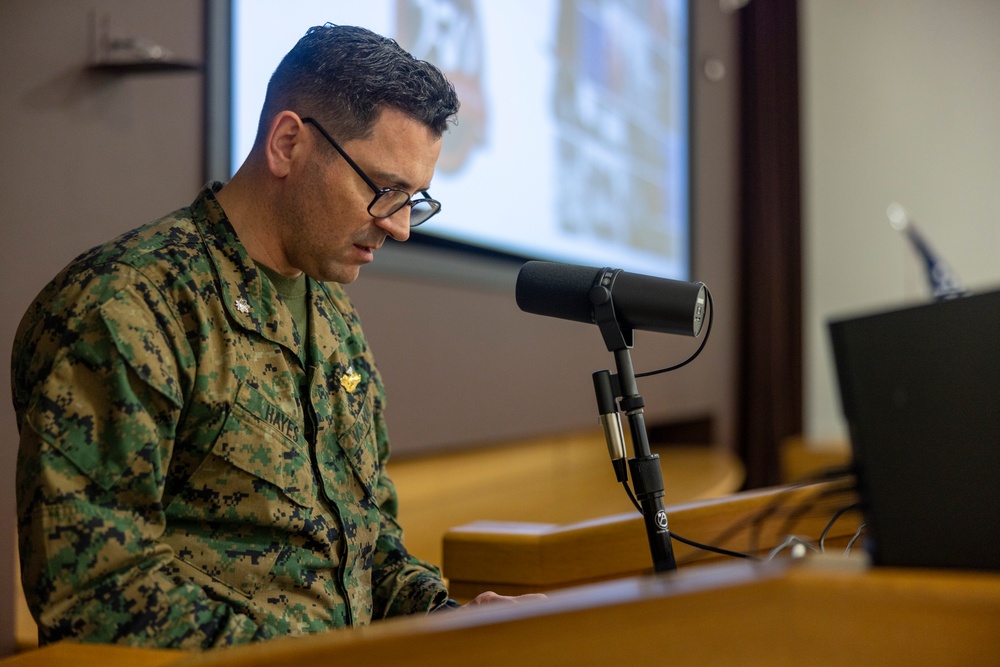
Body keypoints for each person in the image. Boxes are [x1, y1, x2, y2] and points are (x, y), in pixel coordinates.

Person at [12, 24, 537, 650]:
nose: (399, 227)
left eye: (416, 199)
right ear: (287, 143)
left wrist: (448, 619)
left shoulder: (333, 319)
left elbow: (369, 554)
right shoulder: (129, 305)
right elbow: (96, 588)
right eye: (383, 190)